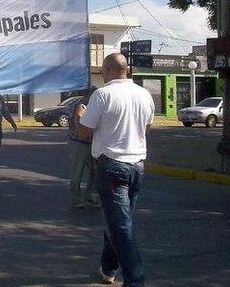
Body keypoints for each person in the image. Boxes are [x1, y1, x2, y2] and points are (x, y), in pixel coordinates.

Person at [78, 53, 153, 286]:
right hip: (137, 166)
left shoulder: (103, 94)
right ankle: (108, 268)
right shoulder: (144, 94)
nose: (102, 74)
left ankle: (135, 281)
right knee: (118, 220)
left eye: (103, 70)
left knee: (121, 227)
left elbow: (84, 131)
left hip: (112, 166)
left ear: (109, 70)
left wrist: (80, 116)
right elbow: (147, 127)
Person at [70, 87, 99, 208]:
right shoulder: (81, 106)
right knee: (77, 172)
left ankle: (90, 196)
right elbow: (77, 123)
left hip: (93, 143)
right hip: (79, 142)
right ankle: (76, 199)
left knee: (95, 172)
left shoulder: (95, 107)